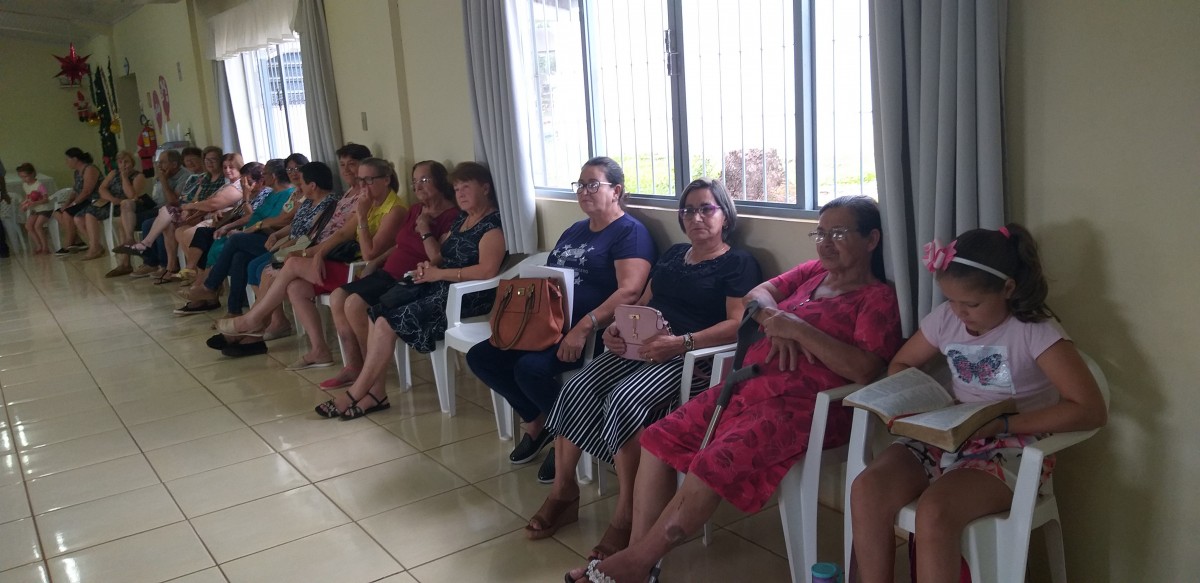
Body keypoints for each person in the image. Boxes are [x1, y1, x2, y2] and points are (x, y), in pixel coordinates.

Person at [563, 195, 903, 583]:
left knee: (712, 461)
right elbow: (755, 296)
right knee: (658, 439)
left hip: (804, 409)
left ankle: (635, 562)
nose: (825, 243)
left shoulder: (877, 299)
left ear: (871, 239)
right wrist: (776, 317)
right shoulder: (813, 272)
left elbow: (865, 369)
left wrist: (798, 330)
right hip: (748, 388)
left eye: (838, 233)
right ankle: (643, 561)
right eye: (820, 233)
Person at [849, 225, 1107, 583]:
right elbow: (902, 363)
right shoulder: (946, 319)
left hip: (1014, 445)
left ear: (1007, 289)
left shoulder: (1034, 331)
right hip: (950, 433)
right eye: (951, 300)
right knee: (867, 489)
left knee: (935, 511)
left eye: (971, 304)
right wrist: (917, 398)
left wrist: (1003, 424)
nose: (959, 313)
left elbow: (1090, 409)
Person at [531, 178, 760, 563]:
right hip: (640, 345)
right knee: (576, 388)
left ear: (725, 215)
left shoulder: (738, 262)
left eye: (707, 209)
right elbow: (643, 302)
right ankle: (563, 492)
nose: (696, 217)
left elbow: (738, 323)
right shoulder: (673, 254)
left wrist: (682, 342)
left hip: (690, 358)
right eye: (688, 210)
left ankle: (626, 515)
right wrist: (616, 329)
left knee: (624, 399)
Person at [466, 157, 655, 470]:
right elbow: (548, 280)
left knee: (529, 369)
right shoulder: (574, 230)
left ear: (616, 191)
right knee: (482, 357)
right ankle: (540, 421)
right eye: (580, 185)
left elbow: (630, 292)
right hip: (546, 324)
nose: (583, 191)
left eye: (592, 184)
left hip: (590, 333)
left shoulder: (629, 233)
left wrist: (583, 327)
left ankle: (569, 435)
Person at [312, 161, 505, 420]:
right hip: (438, 285)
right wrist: (430, 267)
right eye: (457, 188)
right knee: (378, 313)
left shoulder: (492, 225)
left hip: (464, 297)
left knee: (387, 320)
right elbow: (441, 255)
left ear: (485, 188)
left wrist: (440, 273)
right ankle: (375, 393)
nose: (460, 194)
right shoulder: (463, 219)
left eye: (466, 188)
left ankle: (356, 394)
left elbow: (487, 271)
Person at [212, 155, 407, 369]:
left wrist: (360, 217)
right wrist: (315, 254)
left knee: (292, 264)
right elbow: (341, 234)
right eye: (361, 180)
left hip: (365, 272)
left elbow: (370, 255)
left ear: (386, 180)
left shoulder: (394, 210)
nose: (363, 186)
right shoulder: (367, 203)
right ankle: (319, 350)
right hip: (345, 261)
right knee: (296, 287)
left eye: (369, 180)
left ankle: (251, 321)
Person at [318, 160, 460, 389]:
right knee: (337, 296)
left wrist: (425, 229)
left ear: (441, 182)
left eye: (424, 180)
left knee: (354, 304)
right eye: (414, 182)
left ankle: (370, 373)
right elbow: (400, 244)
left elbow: (438, 258)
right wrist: (376, 262)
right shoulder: (415, 209)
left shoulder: (451, 216)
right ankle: (354, 366)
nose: (418, 186)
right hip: (387, 273)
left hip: (408, 279)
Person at [173, 161, 339, 317]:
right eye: (289, 170)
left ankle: (212, 287)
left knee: (236, 242)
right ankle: (234, 310)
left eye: (300, 177)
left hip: (286, 243)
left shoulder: (324, 202)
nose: (296, 180)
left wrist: (261, 228)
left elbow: (296, 227)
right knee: (239, 257)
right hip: (275, 238)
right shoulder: (303, 199)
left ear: (312, 185)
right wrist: (271, 233)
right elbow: (292, 223)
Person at [114, 146, 226, 282]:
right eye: (207, 160)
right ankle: (170, 267)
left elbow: (179, 201)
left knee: (162, 215)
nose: (209, 163)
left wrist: (189, 206)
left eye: (213, 160)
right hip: (190, 211)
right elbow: (194, 199)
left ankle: (152, 252)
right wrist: (189, 207)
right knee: (165, 223)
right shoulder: (204, 178)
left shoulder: (222, 179)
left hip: (205, 214)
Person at [127, 149, 197, 278]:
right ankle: (151, 262)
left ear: (174, 164)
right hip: (162, 208)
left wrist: (164, 180)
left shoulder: (185, 176)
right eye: (158, 162)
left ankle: (164, 265)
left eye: (162, 162)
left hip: (178, 210)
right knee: (145, 222)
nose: (159, 165)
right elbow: (158, 198)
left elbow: (173, 201)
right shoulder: (164, 174)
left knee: (155, 224)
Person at [98, 151, 150, 277]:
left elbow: (132, 196)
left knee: (124, 215)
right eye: (120, 162)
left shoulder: (139, 176)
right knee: (120, 215)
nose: (123, 165)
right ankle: (127, 251)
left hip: (135, 207)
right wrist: (112, 199)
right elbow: (102, 189)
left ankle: (125, 262)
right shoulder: (113, 173)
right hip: (116, 205)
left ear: (132, 162)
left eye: (126, 161)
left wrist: (125, 178)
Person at [52, 147, 101, 256]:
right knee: (58, 213)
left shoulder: (90, 169)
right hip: (82, 200)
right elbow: (74, 192)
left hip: (92, 200)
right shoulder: (76, 173)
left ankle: (68, 244)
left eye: (67, 159)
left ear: (75, 159)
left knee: (67, 213)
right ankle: (78, 241)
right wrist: (66, 204)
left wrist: (73, 204)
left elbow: (87, 191)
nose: (66, 162)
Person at [17, 163, 53, 255]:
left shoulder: (39, 185)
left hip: (45, 209)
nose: (24, 179)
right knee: (28, 226)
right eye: (21, 177)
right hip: (35, 210)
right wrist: (25, 205)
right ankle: (38, 246)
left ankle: (45, 247)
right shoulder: (25, 185)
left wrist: (35, 203)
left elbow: (46, 199)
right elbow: (28, 197)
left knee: (38, 226)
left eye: (25, 176)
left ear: (32, 174)